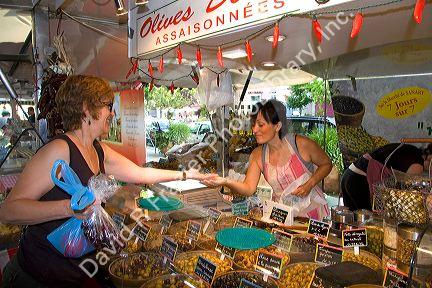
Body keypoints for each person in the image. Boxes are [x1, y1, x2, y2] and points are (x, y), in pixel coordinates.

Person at [0, 75, 215, 288]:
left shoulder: (98, 150)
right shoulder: (59, 150)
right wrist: (69, 208)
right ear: (86, 108)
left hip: (73, 276)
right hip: (36, 278)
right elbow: (9, 211)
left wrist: (189, 175)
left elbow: (141, 174)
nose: (112, 113)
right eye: (108, 106)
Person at [201, 100, 333, 220]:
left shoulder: (301, 144)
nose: (254, 130)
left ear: (277, 126)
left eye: (260, 125)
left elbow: (327, 164)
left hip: (313, 215)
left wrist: (310, 184)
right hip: (283, 216)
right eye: (253, 125)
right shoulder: (258, 155)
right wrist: (225, 181)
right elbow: (248, 188)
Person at [341, 143, 425, 211]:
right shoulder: (417, 161)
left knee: (351, 221)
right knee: (366, 223)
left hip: (349, 174)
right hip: (359, 180)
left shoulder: (410, 150)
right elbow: (409, 188)